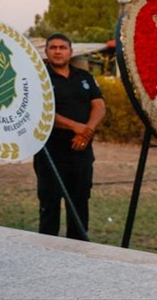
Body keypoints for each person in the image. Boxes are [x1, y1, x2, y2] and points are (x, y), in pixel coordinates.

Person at [34, 33, 105, 240]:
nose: (58, 51)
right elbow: (40, 111)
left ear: (70, 52)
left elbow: (99, 105)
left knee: (80, 204)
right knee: (50, 206)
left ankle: (79, 252)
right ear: (46, 52)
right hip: (50, 154)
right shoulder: (39, 79)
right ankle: (47, 252)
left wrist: (86, 131)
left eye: (62, 47)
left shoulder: (84, 77)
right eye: (53, 47)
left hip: (81, 153)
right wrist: (75, 127)